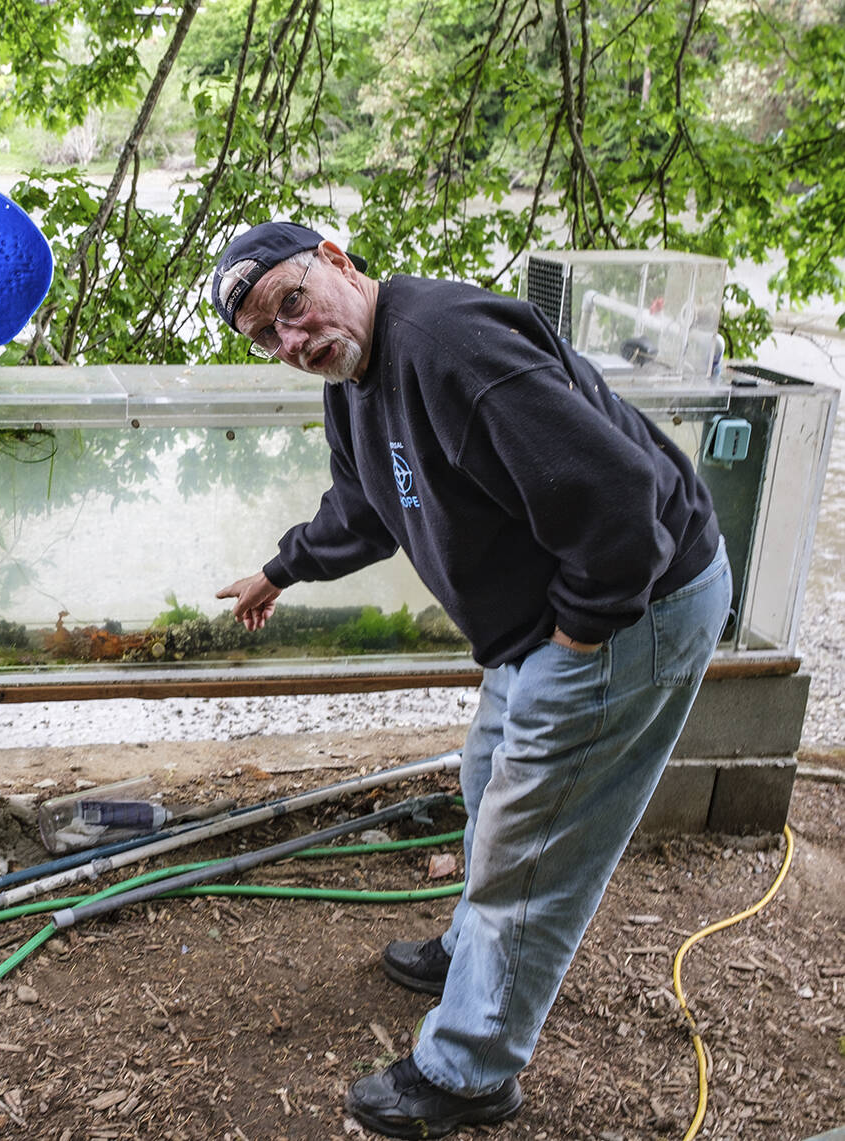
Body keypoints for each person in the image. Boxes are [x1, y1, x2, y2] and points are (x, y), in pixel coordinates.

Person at [210, 223, 731, 1139]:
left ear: (336, 259)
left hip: (628, 609)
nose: (291, 340)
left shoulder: (450, 346)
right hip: (548, 623)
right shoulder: (356, 375)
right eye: (266, 335)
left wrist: (573, 644)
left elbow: (621, 506)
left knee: (530, 841)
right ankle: (475, 954)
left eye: (292, 304)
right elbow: (366, 503)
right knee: (489, 780)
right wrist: (282, 569)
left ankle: (470, 1067)